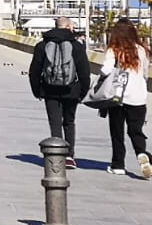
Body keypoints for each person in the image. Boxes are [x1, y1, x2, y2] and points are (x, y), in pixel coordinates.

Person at [28, 17, 90, 168]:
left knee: (54, 121)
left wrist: (37, 90)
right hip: (71, 90)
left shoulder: (42, 45)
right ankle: (69, 156)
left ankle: (57, 154)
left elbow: (34, 71)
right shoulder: (76, 45)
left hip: (49, 89)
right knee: (69, 122)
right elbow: (84, 71)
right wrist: (82, 92)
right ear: (68, 26)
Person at [96, 18, 151, 178]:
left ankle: (118, 164)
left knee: (117, 131)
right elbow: (145, 73)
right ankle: (142, 153)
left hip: (117, 96)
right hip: (138, 96)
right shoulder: (141, 50)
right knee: (136, 131)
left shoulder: (114, 49)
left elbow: (106, 70)